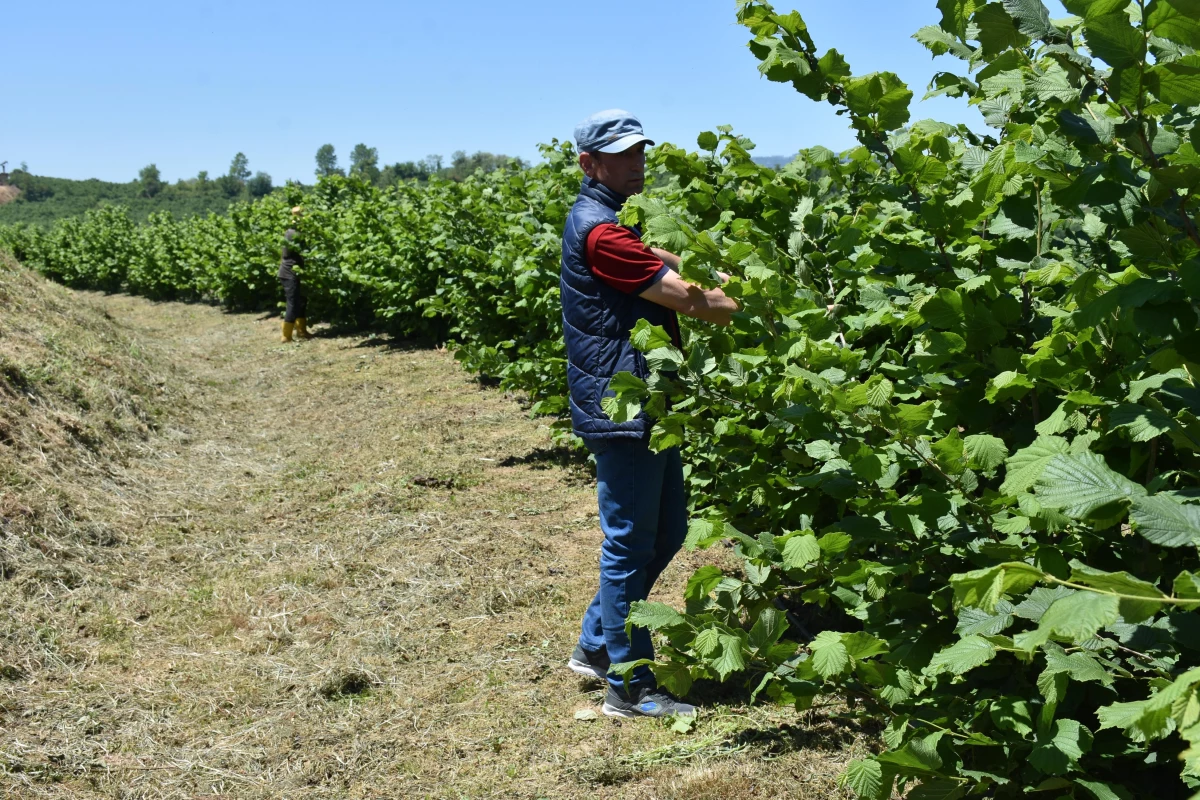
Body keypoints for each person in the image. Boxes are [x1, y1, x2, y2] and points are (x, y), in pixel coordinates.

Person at [561, 109, 738, 718]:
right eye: (622, 154)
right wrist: (760, 303)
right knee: (631, 541)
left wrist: (713, 264)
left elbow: (665, 257)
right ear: (589, 163)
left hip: (645, 398)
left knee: (665, 531)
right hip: (623, 403)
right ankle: (630, 687)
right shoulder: (602, 232)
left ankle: (596, 646)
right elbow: (686, 299)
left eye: (639, 151)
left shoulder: (612, 221)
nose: (636, 162)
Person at [279, 206, 313, 342]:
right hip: (289, 273)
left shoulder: (290, 231)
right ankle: (286, 336)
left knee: (300, 301)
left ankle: (302, 331)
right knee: (293, 303)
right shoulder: (295, 234)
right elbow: (306, 251)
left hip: (292, 272)